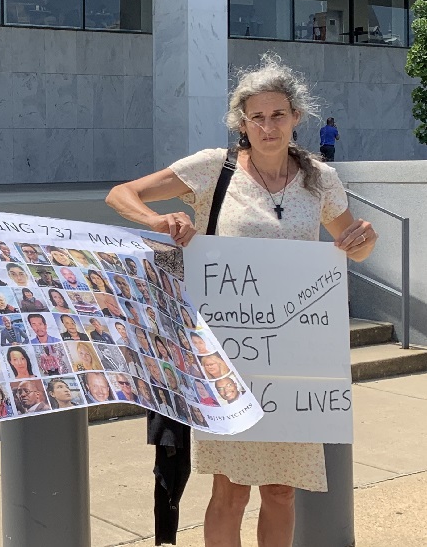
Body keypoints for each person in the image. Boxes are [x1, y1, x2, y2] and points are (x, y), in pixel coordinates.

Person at [106, 53, 378, 547]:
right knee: (229, 490)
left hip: (292, 365)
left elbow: (353, 243)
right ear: (242, 122)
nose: (268, 126)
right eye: (257, 116)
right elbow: (122, 194)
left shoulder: (320, 179)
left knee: (280, 491)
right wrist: (158, 222)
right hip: (228, 358)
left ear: (297, 117)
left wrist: (364, 240)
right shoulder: (215, 169)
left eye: (278, 115)